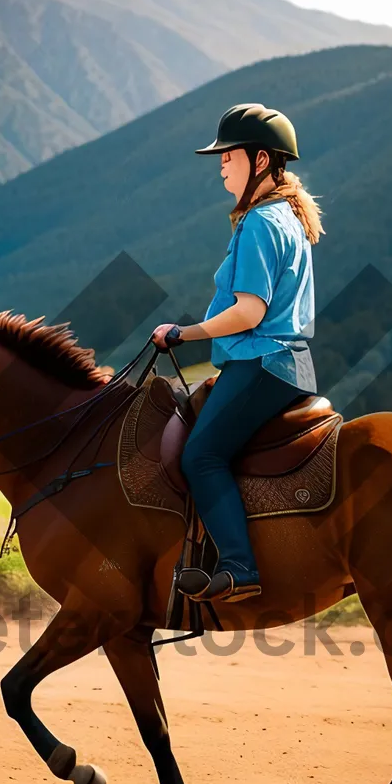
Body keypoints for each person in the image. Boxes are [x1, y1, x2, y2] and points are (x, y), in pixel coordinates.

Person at [150, 103, 323, 604]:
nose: (221, 164)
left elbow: (249, 312)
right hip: (287, 363)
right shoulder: (285, 217)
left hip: (261, 361)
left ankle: (239, 568)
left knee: (202, 455)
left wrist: (184, 333)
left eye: (230, 155)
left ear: (262, 161)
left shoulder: (258, 224)